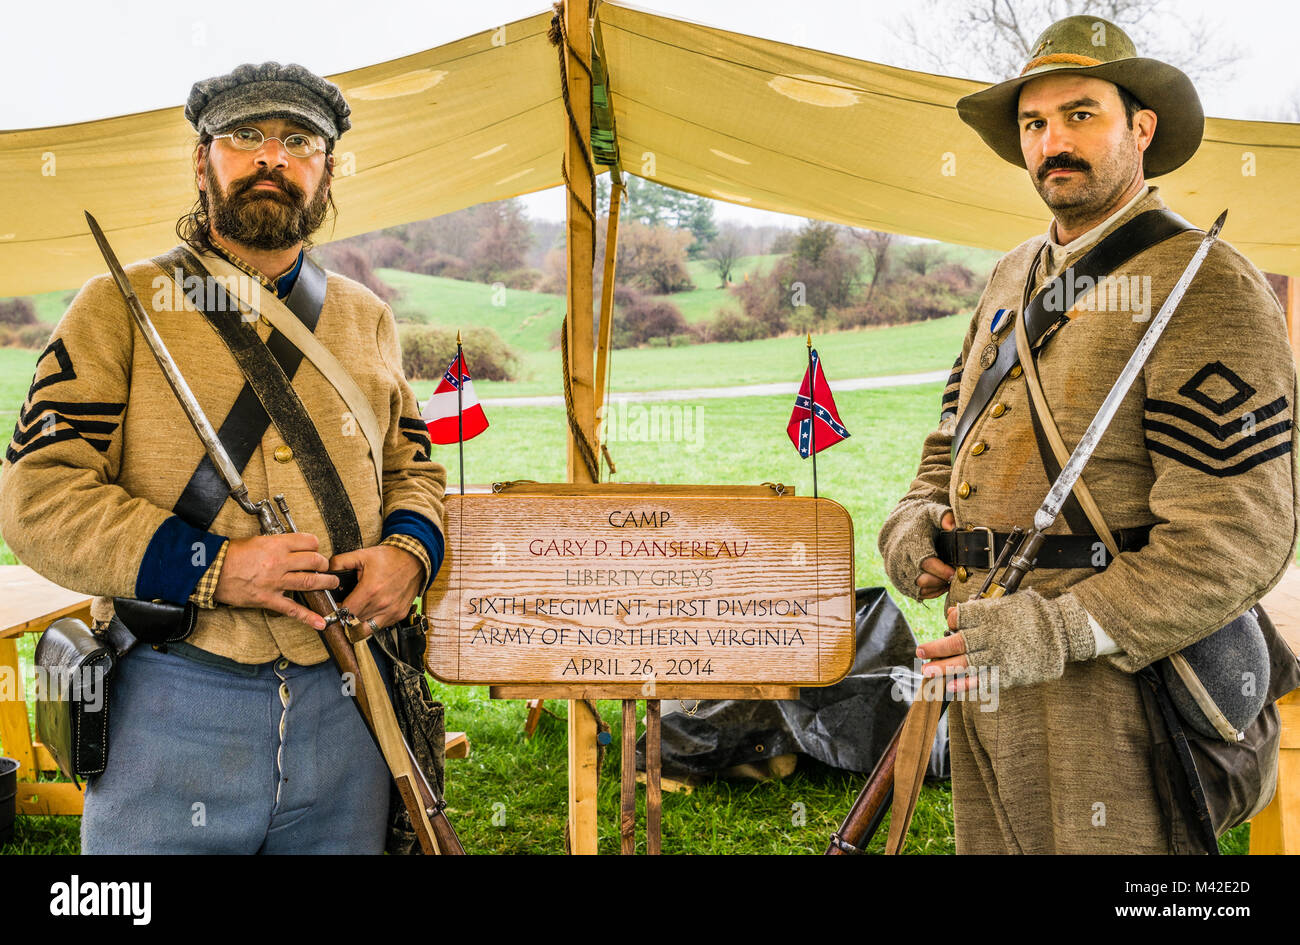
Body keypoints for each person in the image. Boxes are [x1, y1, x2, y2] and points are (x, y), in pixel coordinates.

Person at [0, 62, 447, 853]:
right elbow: (38, 497)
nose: (271, 158)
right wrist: (216, 566)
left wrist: (410, 552)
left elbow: (415, 467)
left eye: (298, 140)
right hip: (171, 700)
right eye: (245, 136)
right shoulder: (117, 305)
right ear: (201, 161)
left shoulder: (365, 317)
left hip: (348, 703)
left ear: (327, 169)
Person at [877, 16, 1298, 853]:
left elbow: (1235, 538)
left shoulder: (1208, 284)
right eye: (1035, 124)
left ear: (1140, 128)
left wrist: (1058, 632)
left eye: (1080, 115)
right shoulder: (1010, 274)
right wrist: (913, 522)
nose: (1051, 142)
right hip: (985, 658)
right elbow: (951, 437)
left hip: (1113, 683)